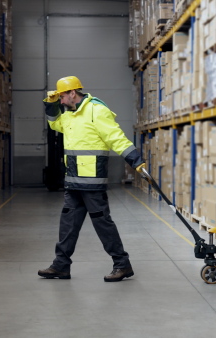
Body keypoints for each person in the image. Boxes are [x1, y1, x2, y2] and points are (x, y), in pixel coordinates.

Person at [38, 76, 146, 282]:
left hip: (92, 182)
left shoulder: (97, 110)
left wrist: (135, 160)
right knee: (67, 224)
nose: (61, 101)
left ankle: (122, 265)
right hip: (73, 180)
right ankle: (61, 265)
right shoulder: (69, 114)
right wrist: (50, 104)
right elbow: (55, 125)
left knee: (102, 224)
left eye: (62, 97)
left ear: (72, 93)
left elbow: (115, 137)